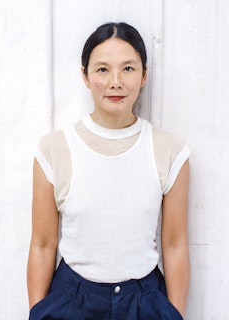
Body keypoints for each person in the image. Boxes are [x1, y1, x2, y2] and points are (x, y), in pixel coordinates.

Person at [27, 22, 190, 320]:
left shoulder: (170, 151)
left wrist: (174, 313)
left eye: (128, 69)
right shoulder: (53, 149)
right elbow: (42, 243)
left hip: (144, 301)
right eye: (102, 69)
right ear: (85, 76)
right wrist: (38, 312)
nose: (116, 81)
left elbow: (175, 243)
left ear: (144, 75)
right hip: (71, 300)